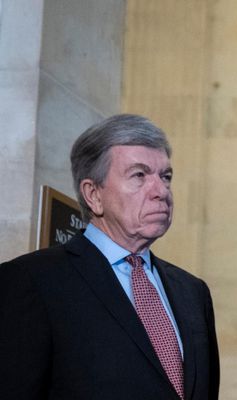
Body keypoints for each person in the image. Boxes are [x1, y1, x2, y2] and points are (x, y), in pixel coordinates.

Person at [0, 114, 219, 399]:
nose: (161, 191)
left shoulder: (193, 291)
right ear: (93, 194)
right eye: (139, 175)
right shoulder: (32, 281)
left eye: (165, 177)